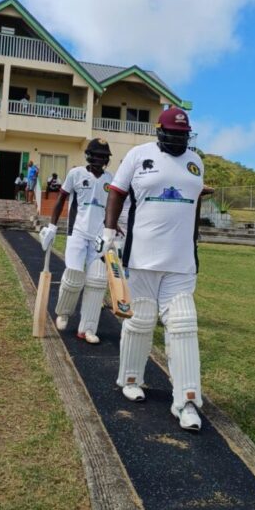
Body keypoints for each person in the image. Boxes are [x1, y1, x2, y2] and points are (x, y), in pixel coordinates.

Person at [98, 106, 205, 431]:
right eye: (171, 136)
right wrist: (108, 232)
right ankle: (131, 379)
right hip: (141, 257)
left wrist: (195, 242)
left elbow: (196, 203)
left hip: (181, 261)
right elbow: (116, 193)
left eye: (182, 137)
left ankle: (186, 401)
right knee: (140, 321)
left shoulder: (196, 161)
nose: (177, 141)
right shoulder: (138, 155)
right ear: (159, 132)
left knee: (184, 325)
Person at [39, 138, 112, 344]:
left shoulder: (110, 179)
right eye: (96, 155)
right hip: (77, 233)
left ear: (107, 159)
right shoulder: (76, 174)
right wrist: (53, 226)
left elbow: (112, 207)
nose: (99, 160)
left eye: (103, 157)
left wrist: (114, 229)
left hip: (99, 236)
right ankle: (63, 312)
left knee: (97, 282)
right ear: (89, 156)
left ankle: (87, 328)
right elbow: (61, 199)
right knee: (73, 275)